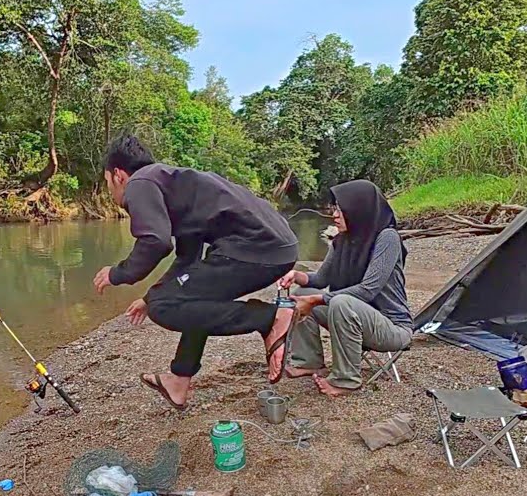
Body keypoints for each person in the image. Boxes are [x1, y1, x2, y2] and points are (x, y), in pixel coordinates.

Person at [93, 136, 299, 410]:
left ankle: (271, 317)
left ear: (118, 175)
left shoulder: (140, 182)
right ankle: (179, 381)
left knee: (164, 307)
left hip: (254, 248)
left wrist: (118, 273)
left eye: (108, 184)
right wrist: (148, 295)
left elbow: (156, 241)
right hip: (276, 248)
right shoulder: (174, 186)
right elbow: (187, 263)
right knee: (187, 297)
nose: (111, 193)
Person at [279, 180, 411, 397]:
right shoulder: (342, 240)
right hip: (352, 316)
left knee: (339, 302)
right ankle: (308, 360)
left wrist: (316, 300)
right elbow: (321, 278)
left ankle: (346, 379)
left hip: (392, 327)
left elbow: (368, 289)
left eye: (341, 209)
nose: (335, 215)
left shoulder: (388, 238)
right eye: (335, 209)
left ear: (359, 209)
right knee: (301, 294)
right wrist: (295, 275)